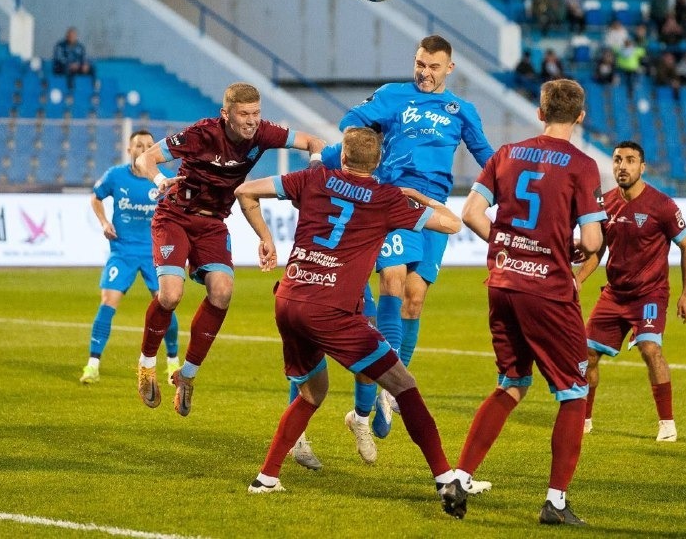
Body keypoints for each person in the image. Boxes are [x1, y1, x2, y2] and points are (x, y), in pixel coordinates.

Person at [234, 126, 471, 519]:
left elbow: (245, 191)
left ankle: (267, 478)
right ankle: (446, 479)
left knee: (313, 392)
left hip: (289, 300)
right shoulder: (386, 198)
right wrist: (418, 196)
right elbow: (452, 224)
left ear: (342, 157)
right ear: (377, 162)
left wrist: (265, 238)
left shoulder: (313, 178)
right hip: (331, 311)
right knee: (404, 385)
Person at [449, 79, 606, 525]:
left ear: (540, 113)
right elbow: (593, 240)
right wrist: (564, 246)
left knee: (512, 383)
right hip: (548, 290)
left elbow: (470, 213)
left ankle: (459, 477)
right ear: (580, 117)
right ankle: (555, 502)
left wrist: (506, 245)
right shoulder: (583, 165)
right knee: (574, 391)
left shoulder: (506, 154)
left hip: (502, 283)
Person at [327, 35, 494, 451]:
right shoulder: (393, 95)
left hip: (434, 208)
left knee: (415, 299)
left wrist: (506, 191)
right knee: (393, 280)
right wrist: (366, 144)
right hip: (395, 200)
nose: (424, 73)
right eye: (420, 64)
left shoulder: (461, 110)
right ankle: (385, 391)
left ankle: (388, 389)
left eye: (433, 67)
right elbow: (351, 121)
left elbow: (489, 160)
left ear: (449, 68)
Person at [133, 82, 325, 416]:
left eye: (256, 113)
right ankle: (147, 364)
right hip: (175, 216)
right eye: (244, 114)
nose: (252, 121)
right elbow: (145, 158)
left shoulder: (264, 133)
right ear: (226, 114)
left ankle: (187, 375)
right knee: (171, 295)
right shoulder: (201, 134)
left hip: (213, 224)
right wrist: (160, 180)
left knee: (222, 292)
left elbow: (313, 141)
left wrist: (316, 164)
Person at [574, 141, 686, 442]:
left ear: (642, 167)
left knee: (650, 349)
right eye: (618, 160)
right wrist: (578, 280)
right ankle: (583, 421)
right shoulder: (604, 203)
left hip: (649, 295)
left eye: (630, 160)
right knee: (587, 354)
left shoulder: (662, 205)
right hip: (614, 294)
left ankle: (667, 424)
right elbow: (598, 250)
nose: (622, 166)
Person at [80, 130, 180, 385]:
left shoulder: (164, 179)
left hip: (155, 252)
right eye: (139, 145)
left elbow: (179, 213)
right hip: (122, 251)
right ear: (129, 150)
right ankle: (92, 365)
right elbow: (96, 198)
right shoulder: (115, 175)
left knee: (166, 303)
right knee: (107, 302)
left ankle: (172, 362)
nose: (144, 149)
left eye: (149, 145)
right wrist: (104, 222)